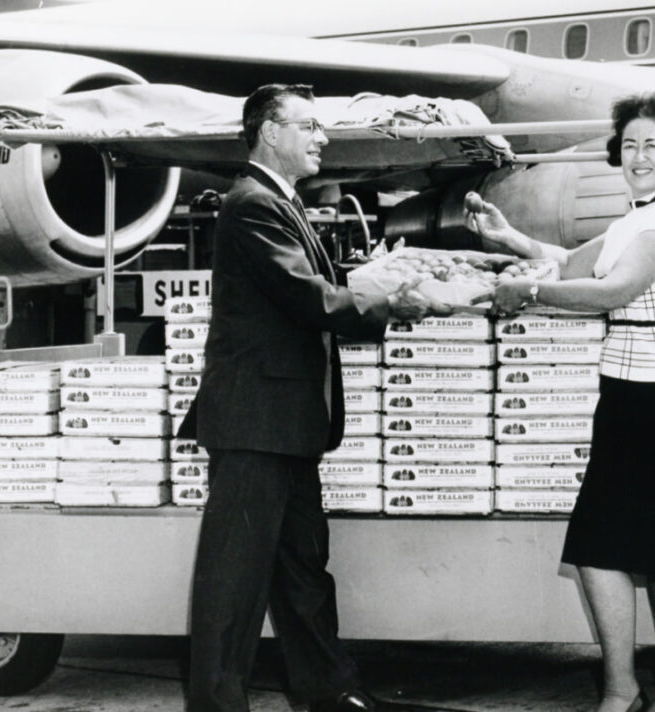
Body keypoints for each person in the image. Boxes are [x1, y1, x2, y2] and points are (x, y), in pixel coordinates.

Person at [183, 83, 442, 712]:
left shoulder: (278, 201)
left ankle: (330, 694)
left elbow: (317, 294)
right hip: (255, 423)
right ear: (271, 132)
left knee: (303, 570)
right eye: (309, 126)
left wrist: (380, 291)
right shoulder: (251, 205)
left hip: (287, 421)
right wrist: (384, 296)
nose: (322, 137)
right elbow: (310, 298)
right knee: (234, 584)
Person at [466, 92, 655, 712]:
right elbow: (569, 262)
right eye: (629, 144)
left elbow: (615, 288)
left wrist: (531, 295)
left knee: (600, 546)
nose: (638, 155)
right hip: (654, 395)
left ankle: (623, 690)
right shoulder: (636, 219)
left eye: (652, 144)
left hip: (648, 399)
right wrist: (509, 238)